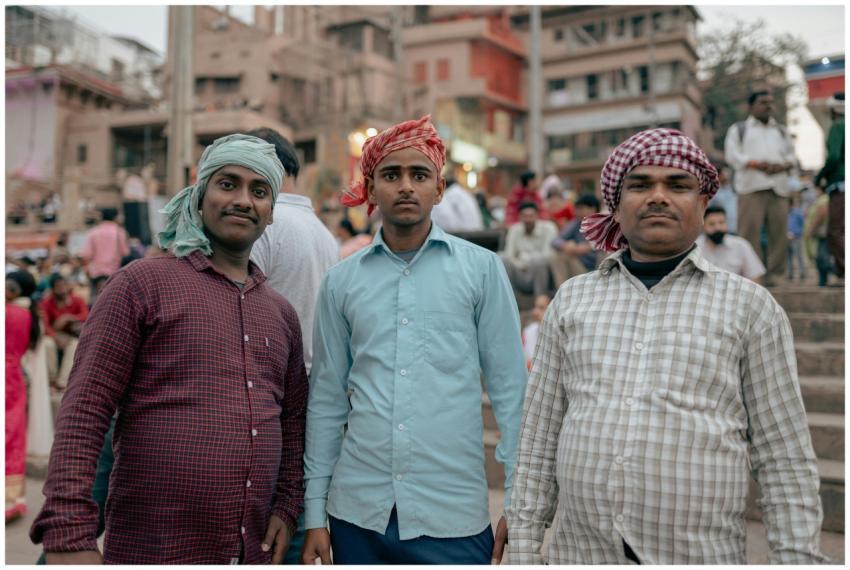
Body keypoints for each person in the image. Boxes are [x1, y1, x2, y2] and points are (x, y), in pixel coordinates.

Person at [507, 128, 825, 564]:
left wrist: (797, 558)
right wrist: (524, 549)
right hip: (579, 554)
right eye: (640, 185)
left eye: (678, 185)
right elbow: (539, 437)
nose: (658, 196)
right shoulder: (572, 299)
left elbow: (783, 455)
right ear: (616, 207)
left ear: (702, 203)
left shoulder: (751, 307)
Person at [30, 134, 308, 564]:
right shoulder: (140, 284)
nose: (243, 200)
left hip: (249, 550)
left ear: (271, 212)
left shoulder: (281, 313)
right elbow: (85, 410)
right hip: (152, 546)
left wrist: (288, 507)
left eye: (259, 191)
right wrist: (69, 534)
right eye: (227, 184)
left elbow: (292, 422)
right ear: (199, 196)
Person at [302, 116, 527, 565]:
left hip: (452, 516)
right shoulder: (341, 282)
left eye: (419, 175)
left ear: (439, 189)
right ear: (370, 187)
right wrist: (313, 512)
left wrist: (520, 501)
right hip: (356, 515)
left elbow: (511, 391)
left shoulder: (481, 270)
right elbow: (327, 398)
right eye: (391, 175)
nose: (406, 186)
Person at [246, 126, 339, 564]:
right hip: (311, 388)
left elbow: (239, 307)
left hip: (268, 390)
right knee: (295, 514)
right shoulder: (322, 232)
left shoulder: (266, 223)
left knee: (265, 523)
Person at [724, 90, 798, 286]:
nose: (768, 106)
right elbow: (733, 156)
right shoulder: (739, 129)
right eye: (763, 102)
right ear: (751, 106)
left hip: (778, 188)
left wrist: (782, 165)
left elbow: (792, 156)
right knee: (748, 235)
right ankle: (751, 279)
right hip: (750, 189)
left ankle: (777, 277)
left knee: (779, 235)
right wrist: (758, 164)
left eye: (770, 102)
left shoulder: (781, 131)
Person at [6, 270, 41, 522]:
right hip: (13, 378)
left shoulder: (7, 312)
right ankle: (11, 501)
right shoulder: (28, 315)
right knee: (12, 437)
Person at [40, 273, 89, 390]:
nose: (62, 289)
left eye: (64, 286)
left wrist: (68, 317)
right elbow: (44, 324)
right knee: (47, 344)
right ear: (52, 289)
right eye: (58, 286)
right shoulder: (46, 303)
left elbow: (86, 315)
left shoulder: (77, 300)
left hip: (69, 335)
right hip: (52, 335)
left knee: (74, 345)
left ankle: (62, 382)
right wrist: (54, 335)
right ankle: (51, 380)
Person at [500, 202, 558, 298]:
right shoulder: (514, 229)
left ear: (537, 216)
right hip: (520, 271)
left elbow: (548, 255)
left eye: (531, 216)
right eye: (525, 216)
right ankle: (510, 299)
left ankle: (540, 300)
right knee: (502, 258)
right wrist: (522, 263)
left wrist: (527, 259)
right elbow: (509, 255)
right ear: (520, 217)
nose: (528, 219)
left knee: (538, 260)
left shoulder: (549, 228)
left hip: (542, 274)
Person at [816, 92, 844, 281]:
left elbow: (833, 157)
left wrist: (819, 177)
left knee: (835, 231)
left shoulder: (838, 127)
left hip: (841, 185)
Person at [696, 205, 766, 282]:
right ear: (703, 226)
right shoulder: (695, 247)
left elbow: (755, 276)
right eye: (712, 224)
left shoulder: (740, 245)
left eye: (721, 222)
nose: (718, 228)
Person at [549, 194, 600, 287]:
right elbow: (555, 241)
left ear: (593, 209)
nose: (577, 212)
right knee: (557, 256)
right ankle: (562, 294)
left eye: (581, 209)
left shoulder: (603, 224)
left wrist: (589, 246)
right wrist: (566, 246)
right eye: (576, 209)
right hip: (581, 268)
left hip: (600, 270)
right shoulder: (576, 223)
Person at [80, 207, 129, 302]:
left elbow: (86, 256)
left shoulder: (93, 233)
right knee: (115, 302)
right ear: (115, 218)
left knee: (96, 304)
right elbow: (125, 253)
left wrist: (88, 272)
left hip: (96, 275)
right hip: (115, 274)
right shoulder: (120, 232)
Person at [804, 185, 833, 287]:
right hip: (821, 235)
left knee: (822, 259)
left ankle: (834, 275)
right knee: (821, 258)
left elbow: (821, 215)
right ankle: (823, 280)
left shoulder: (824, 200)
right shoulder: (822, 200)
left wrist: (811, 230)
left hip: (823, 235)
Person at [521, 294, 550, 369]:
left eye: (541, 308)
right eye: (535, 307)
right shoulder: (528, 331)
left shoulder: (556, 334)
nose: (535, 312)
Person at [708, 165, 738, 233]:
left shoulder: (730, 189)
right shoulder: (712, 192)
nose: (727, 176)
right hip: (722, 228)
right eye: (724, 174)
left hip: (735, 226)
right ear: (718, 175)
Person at [787, 194, 806, 281]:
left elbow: (803, 225)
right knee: (788, 257)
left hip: (796, 237)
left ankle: (802, 273)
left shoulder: (797, 213)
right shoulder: (783, 213)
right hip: (786, 238)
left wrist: (797, 234)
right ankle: (790, 274)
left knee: (799, 256)